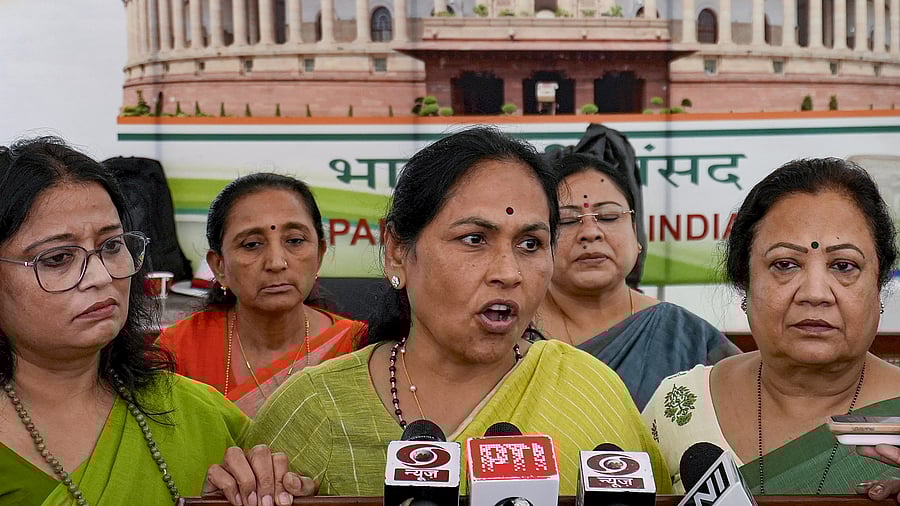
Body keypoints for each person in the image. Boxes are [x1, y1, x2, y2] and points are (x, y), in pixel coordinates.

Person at [244, 127, 671, 496]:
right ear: (396, 251)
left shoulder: (588, 391)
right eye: (473, 239)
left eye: (530, 244)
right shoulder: (312, 410)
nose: (508, 273)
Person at [0, 138, 311, 506]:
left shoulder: (195, 412)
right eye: (57, 258)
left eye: (112, 246)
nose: (101, 276)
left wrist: (266, 486)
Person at [642, 158, 900, 495]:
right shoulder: (682, 407)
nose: (815, 293)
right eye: (785, 264)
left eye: (843, 265)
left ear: (878, 284)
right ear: (744, 282)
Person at [535, 153, 740, 410]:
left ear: (636, 233)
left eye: (608, 216)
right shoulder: (512, 332)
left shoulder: (684, 336)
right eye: (566, 220)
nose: (590, 232)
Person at [159, 173, 366, 417]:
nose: (277, 262)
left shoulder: (360, 349)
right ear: (219, 266)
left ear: (319, 254)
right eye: (252, 245)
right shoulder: (176, 352)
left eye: (295, 240)